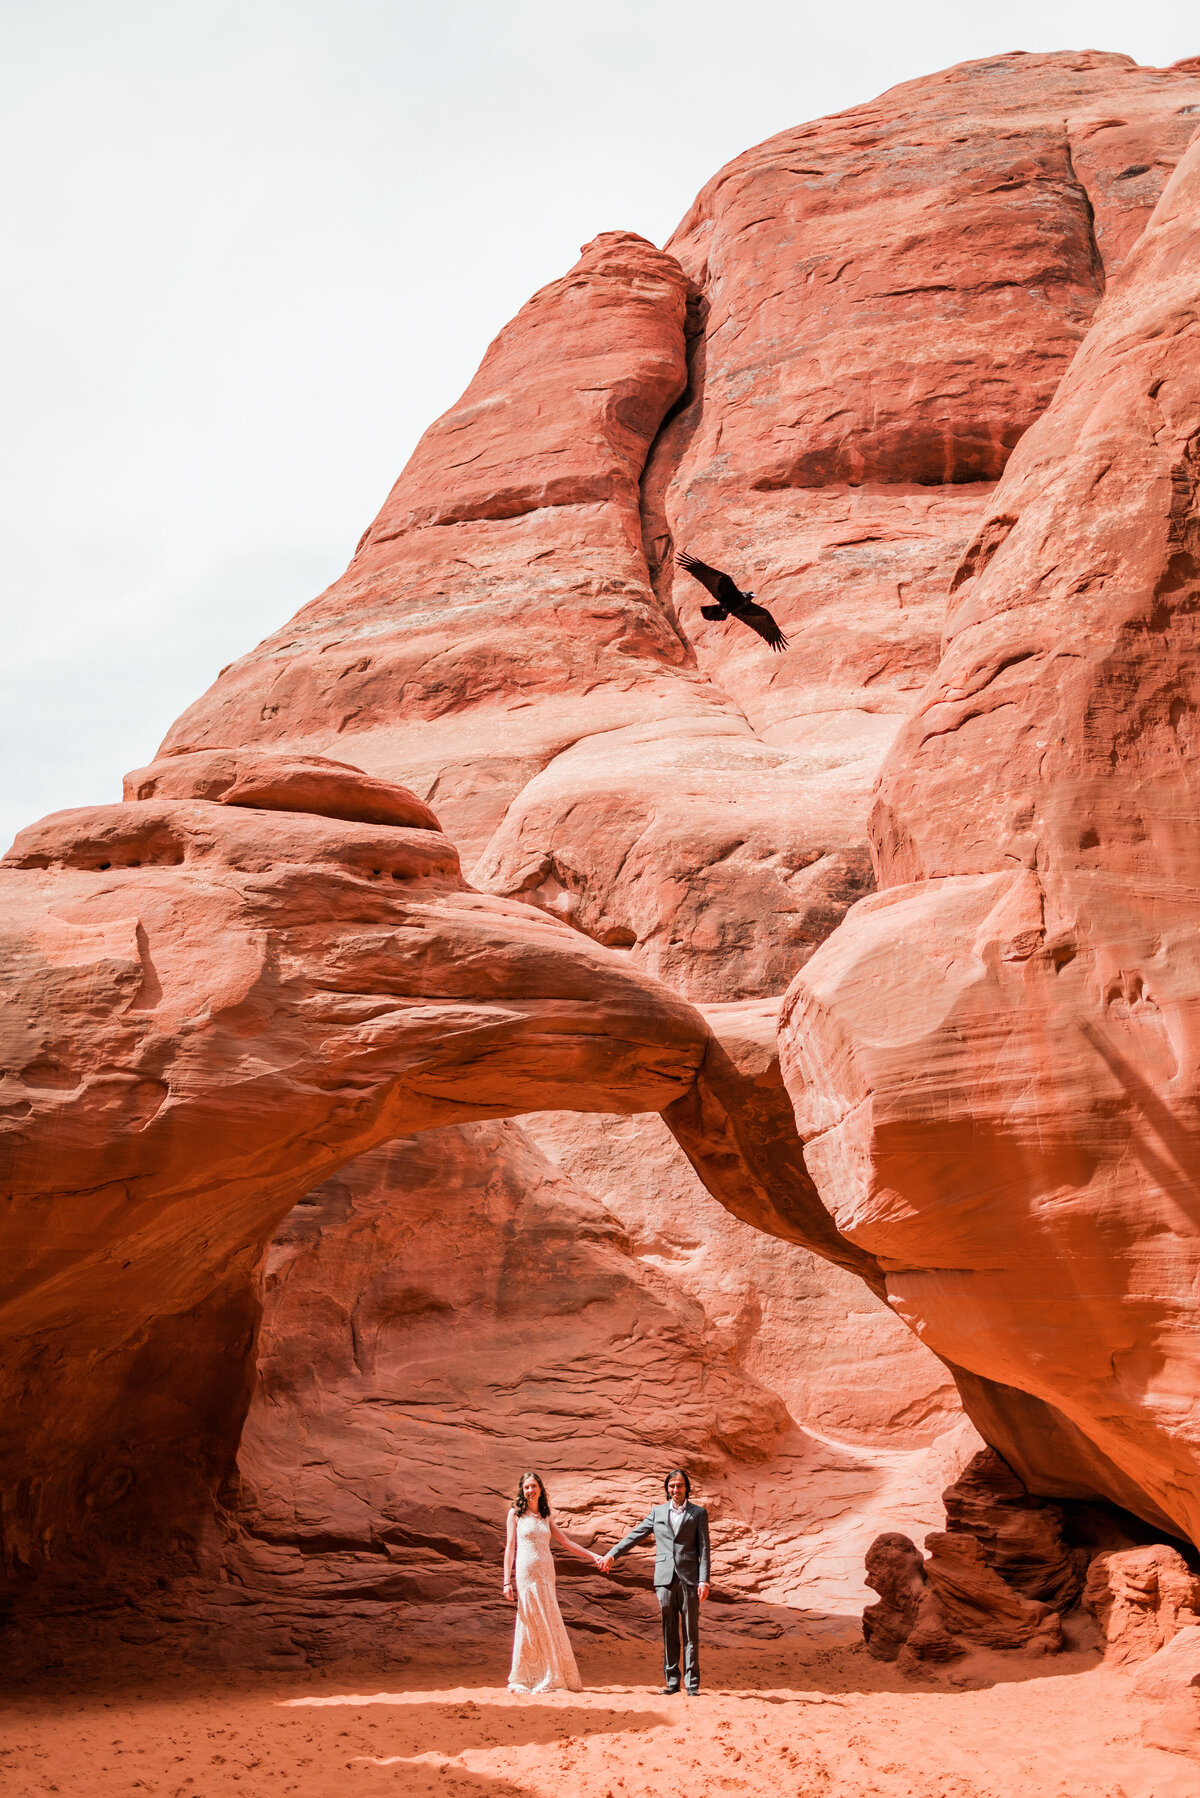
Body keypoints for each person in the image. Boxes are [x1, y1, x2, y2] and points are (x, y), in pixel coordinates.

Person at [599, 1469, 711, 1697]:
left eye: (679, 1485)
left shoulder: (698, 1513)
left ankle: (692, 1684)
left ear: (686, 1487)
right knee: (669, 1630)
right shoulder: (657, 1512)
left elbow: (705, 1550)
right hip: (664, 1579)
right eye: (672, 1486)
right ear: (667, 1489)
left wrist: (704, 1580)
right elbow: (635, 1535)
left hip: (689, 1579)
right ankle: (671, 1682)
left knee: (691, 1632)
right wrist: (612, 1555)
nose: (676, 1490)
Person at [503, 1470, 604, 1693]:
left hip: (547, 1573)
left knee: (548, 1619)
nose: (530, 1490)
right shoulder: (515, 1514)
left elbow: (566, 1542)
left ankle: (550, 1674)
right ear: (522, 1490)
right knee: (530, 1620)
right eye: (526, 1487)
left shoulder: (546, 1516)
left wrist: (593, 1556)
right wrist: (506, 1581)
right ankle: (526, 1676)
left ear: (540, 1489)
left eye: (533, 1486)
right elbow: (510, 1548)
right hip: (526, 1573)